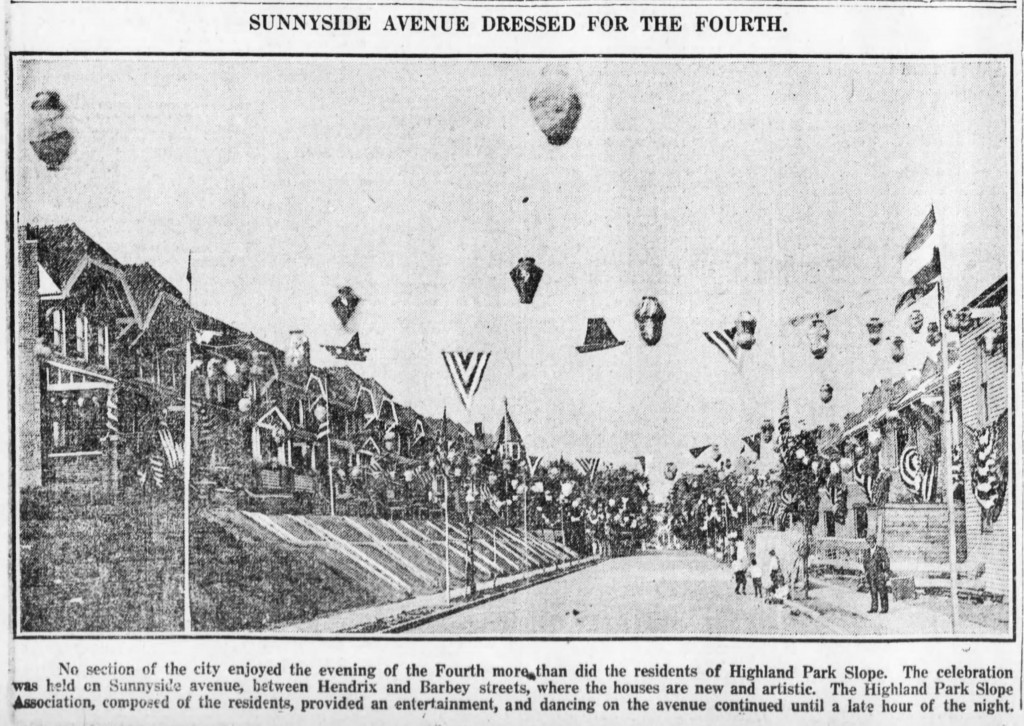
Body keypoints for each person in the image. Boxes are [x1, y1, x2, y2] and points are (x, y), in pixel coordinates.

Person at [863, 534, 891, 614]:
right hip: (871, 575)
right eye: (869, 542)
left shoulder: (881, 550)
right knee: (873, 591)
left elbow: (886, 560)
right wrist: (866, 573)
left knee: (882, 591)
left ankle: (884, 608)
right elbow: (865, 563)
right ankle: (874, 608)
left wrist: (886, 572)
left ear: (875, 542)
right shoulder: (867, 552)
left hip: (879, 573)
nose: (870, 544)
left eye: (872, 542)